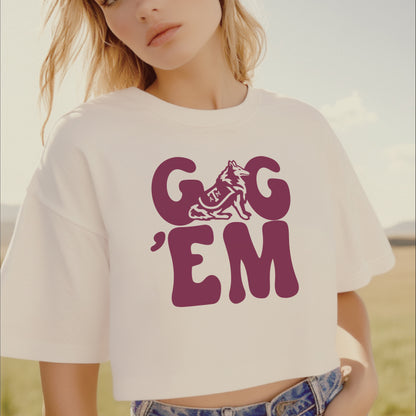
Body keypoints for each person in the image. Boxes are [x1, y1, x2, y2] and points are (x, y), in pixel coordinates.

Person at [0, 1, 396, 415]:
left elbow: (340, 289)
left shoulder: (303, 128)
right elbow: (67, 349)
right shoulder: (87, 141)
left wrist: (362, 378)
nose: (144, 9)